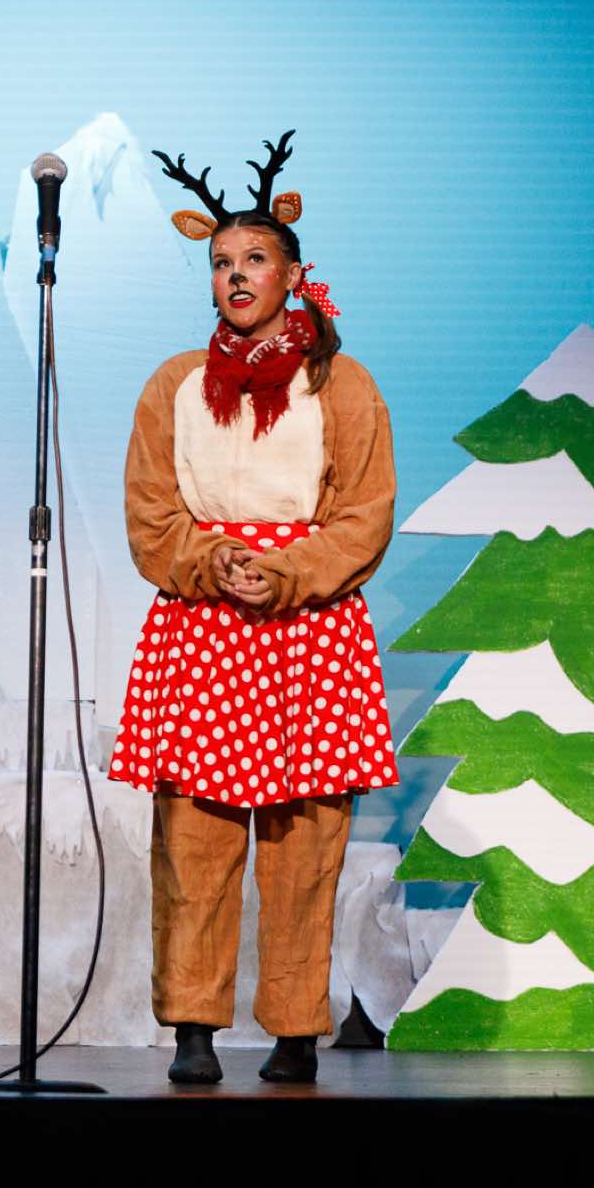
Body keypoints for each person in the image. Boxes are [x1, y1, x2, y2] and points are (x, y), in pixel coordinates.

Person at [111, 133, 397, 1086]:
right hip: (205, 626)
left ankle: (295, 1027)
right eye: (221, 262)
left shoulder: (341, 385)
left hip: (309, 627)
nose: (235, 275)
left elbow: (363, 512)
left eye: (254, 259)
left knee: (304, 844)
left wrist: (288, 572)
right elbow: (152, 514)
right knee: (194, 840)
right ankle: (193, 1025)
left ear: (293, 274)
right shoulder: (175, 385)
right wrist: (212, 560)